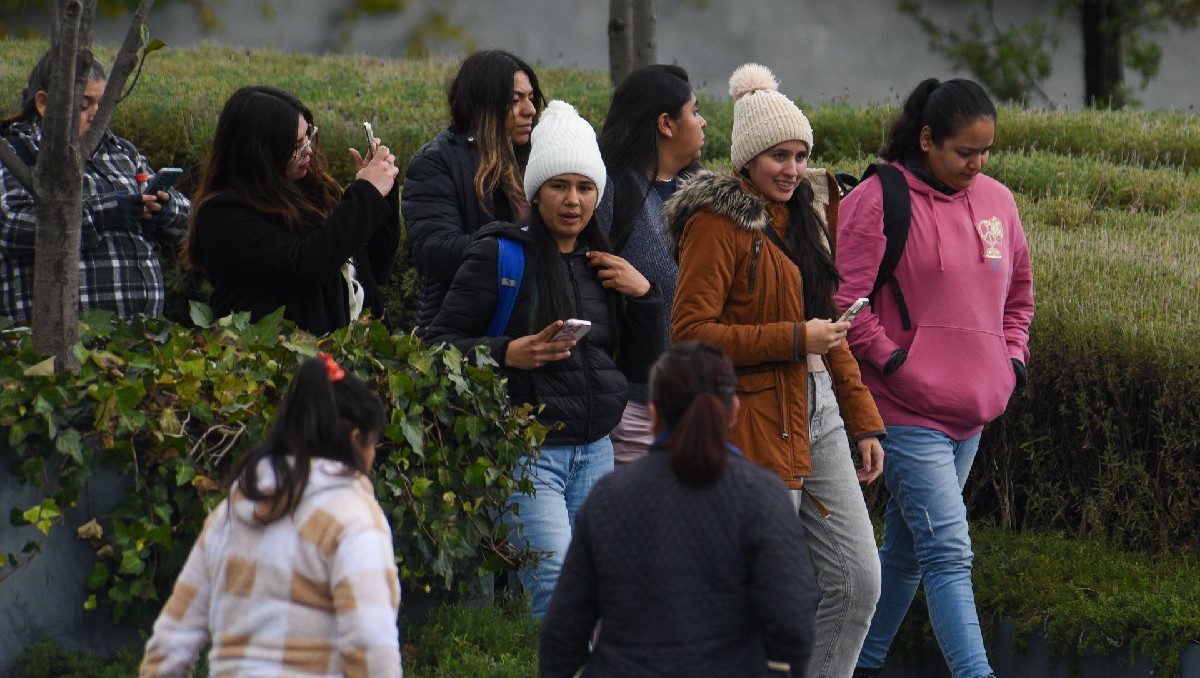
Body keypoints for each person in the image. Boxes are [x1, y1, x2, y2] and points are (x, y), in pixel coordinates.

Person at [666, 63, 886, 678]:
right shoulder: (717, 222)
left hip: (818, 415)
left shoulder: (805, 216)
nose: (791, 169)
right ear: (747, 160)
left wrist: (864, 420)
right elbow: (689, 335)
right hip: (751, 419)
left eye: (800, 155)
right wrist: (796, 338)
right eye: (777, 157)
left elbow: (830, 329)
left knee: (859, 581)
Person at [424, 100, 661, 620]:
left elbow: (640, 366)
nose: (573, 201)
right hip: (528, 457)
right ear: (535, 191)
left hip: (597, 452)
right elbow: (435, 346)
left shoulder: (605, 266)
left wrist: (645, 297)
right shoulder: (499, 255)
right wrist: (510, 352)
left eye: (585, 187)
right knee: (556, 593)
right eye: (559, 186)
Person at [838, 78, 1033, 678]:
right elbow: (847, 303)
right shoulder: (877, 199)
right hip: (903, 409)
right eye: (963, 152)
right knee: (948, 550)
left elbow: (1018, 296)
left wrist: (1012, 362)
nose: (977, 165)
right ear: (927, 140)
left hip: (974, 410)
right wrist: (897, 361)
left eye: (986, 152)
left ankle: (858, 667)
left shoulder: (999, 202)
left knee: (904, 556)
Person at [539, 341, 821, 677]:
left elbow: (563, 630)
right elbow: (794, 620)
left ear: (654, 414)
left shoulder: (608, 498)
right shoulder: (762, 496)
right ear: (732, 411)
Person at [139, 353, 401, 678]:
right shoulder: (354, 519)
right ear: (355, 440)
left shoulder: (230, 514)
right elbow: (371, 643)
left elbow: (172, 639)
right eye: (374, 443)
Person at [184, 85, 399, 335]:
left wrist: (385, 190)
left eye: (308, 136)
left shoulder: (314, 192)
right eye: (296, 145)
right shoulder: (222, 215)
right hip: (280, 364)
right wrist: (367, 192)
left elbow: (377, 268)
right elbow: (304, 266)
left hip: (355, 359)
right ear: (260, 153)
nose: (308, 149)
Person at [0, 50, 190, 323]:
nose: (95, 118)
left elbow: (188, 223)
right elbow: (11, 225)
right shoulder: (16, 154)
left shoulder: (122, 152)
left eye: (101, 106)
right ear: (43, 103)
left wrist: (162, 207)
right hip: (56, 340)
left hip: (138, 340)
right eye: (83, 106)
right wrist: (104, 213)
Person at [596, 63, 706, 465]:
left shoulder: (703, 194)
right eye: (694, 111)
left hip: (698, 401)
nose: (703, 121)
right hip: (635, 410)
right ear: (666, 124)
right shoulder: (610, 191)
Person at [403, 49, 543, 330]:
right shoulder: (436, 162)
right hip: (464, 335)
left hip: (529, 324)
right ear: (484, 104)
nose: (530, 110)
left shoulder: (538, 157)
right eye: (515, 100)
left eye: (531, 98)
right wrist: (524, 242)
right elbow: (437, 251)